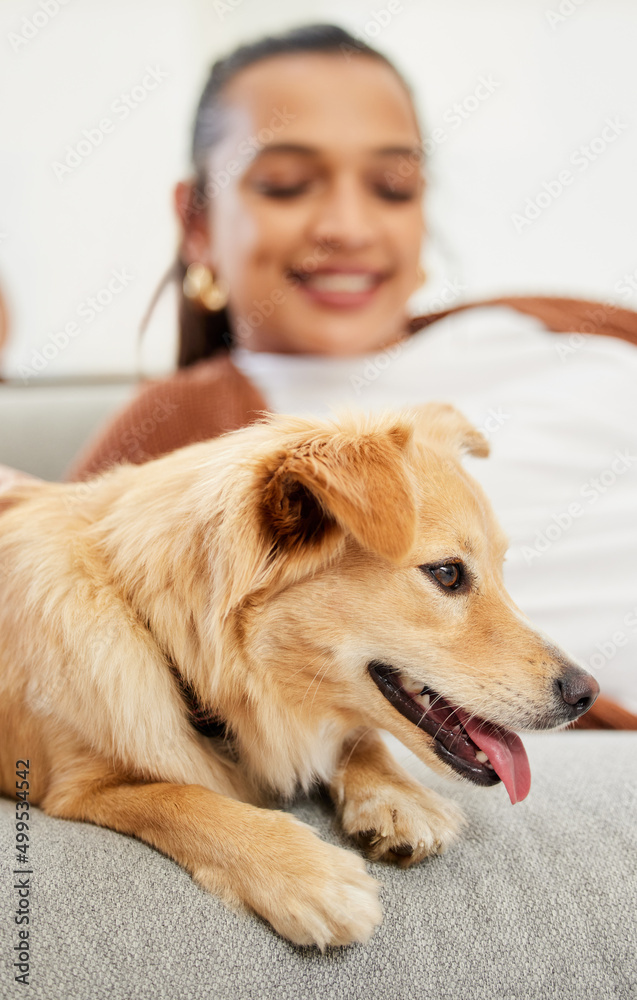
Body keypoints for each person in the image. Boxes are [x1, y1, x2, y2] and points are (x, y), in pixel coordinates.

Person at [11, 24, 637, 725]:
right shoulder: (190, 437)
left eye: (392, 187)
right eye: (286, 185)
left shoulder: (551, 321)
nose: (347, 225)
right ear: (197, 221)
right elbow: (51, 627)